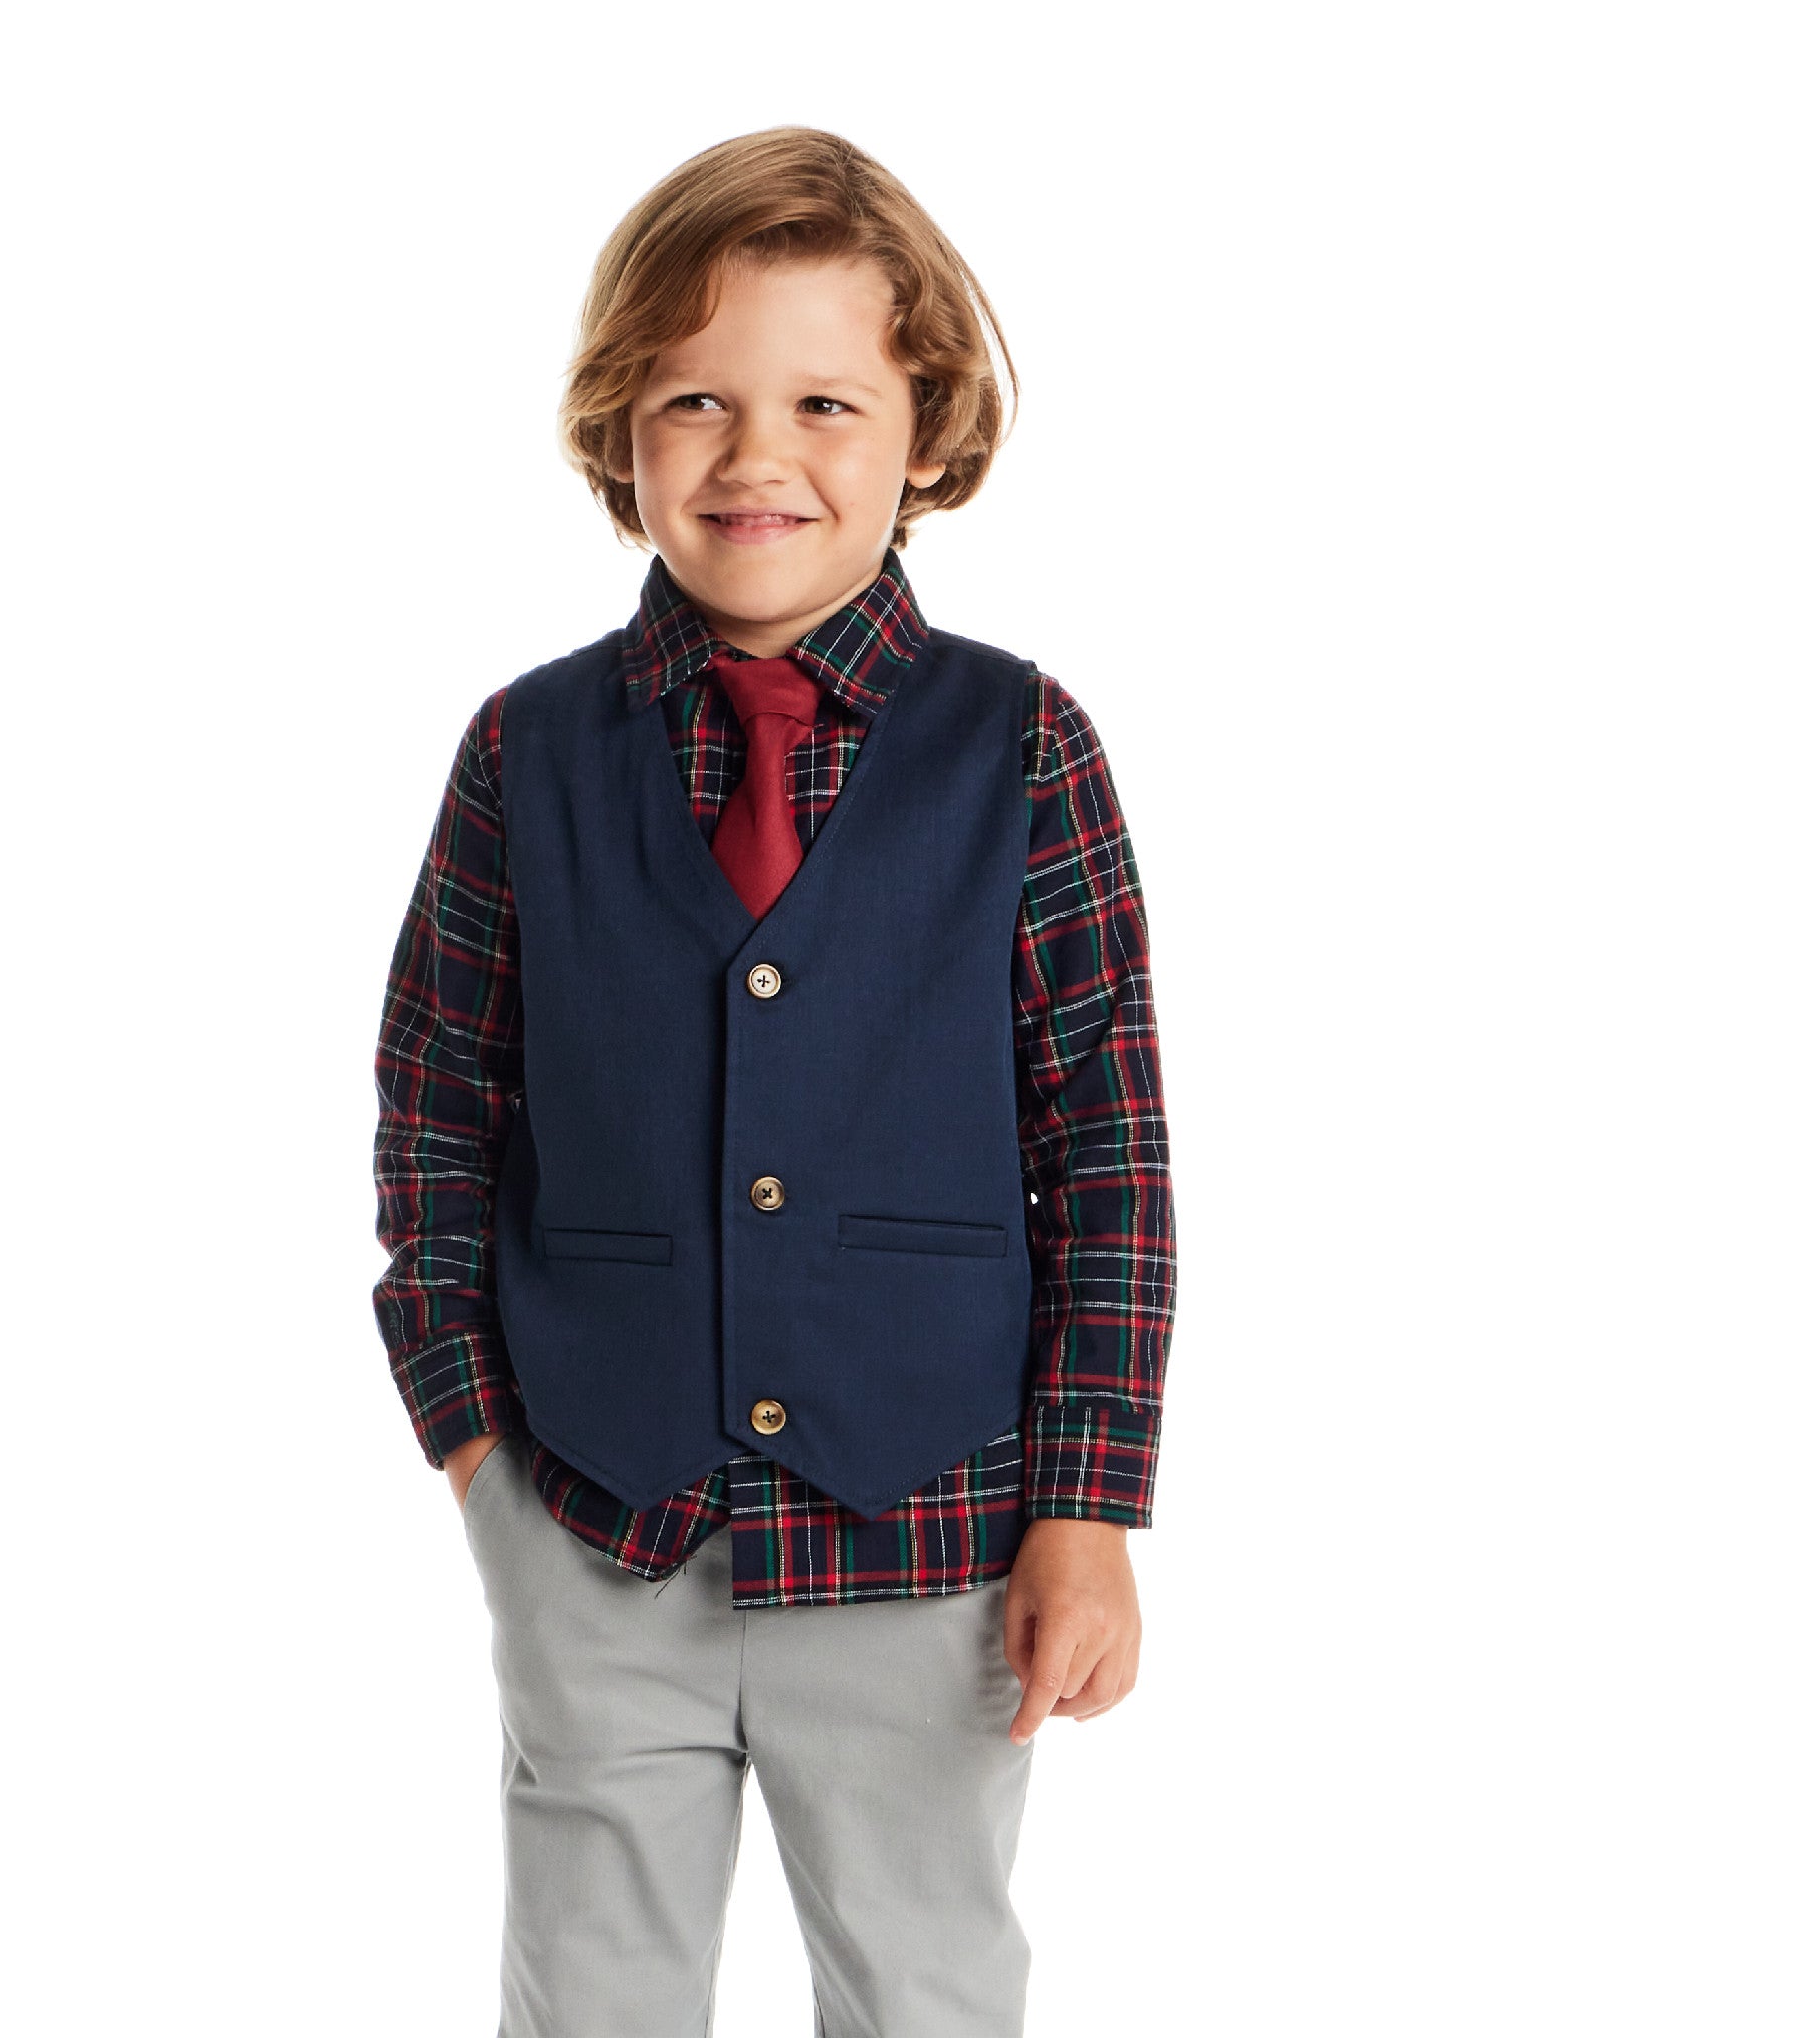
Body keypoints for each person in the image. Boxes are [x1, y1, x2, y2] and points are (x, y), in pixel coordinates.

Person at [370, 124, 1176, 2038]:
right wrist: (481, 1454)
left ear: (925, 429)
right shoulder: (524, 750)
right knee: (589, 1994)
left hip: (931, 1527)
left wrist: (1087, 1508)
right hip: (598, 1521)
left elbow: (1108, 1153)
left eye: (824, 401)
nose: (757, 456)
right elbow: (435, 1118)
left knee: (923, 1986)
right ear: (621, 431)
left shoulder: (1024, 746)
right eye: (696, 401)